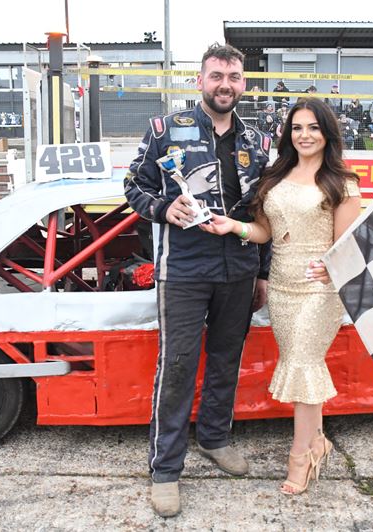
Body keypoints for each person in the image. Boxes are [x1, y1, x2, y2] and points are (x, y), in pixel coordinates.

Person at [124, 43, 271, 518]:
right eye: (216, 76)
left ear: (243, 83)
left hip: (239, 269)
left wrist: (263, 272)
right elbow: (134, 185)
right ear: (200, 81)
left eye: (233, 77)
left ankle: (214, 438)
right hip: (184, 270)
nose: (225, 85)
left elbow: (264, 212)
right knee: (178, 366)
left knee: (226, 360)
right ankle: (165, 470)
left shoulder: (260, 141)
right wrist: (163, 208)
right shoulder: (166, 129)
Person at [200, 97, 361, 495]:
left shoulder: (342, 182)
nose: (305, 135)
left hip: (319, 288)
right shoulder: (275, 175)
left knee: (303, 363)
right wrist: (232, 227)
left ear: (328, 133)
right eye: (297, 128)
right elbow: (264, 233)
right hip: (283, 287)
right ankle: (318, 442)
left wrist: (331, 266)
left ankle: (300, 457)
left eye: (313, 128)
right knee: (302, 365)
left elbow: (347, 246)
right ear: (288, 134)